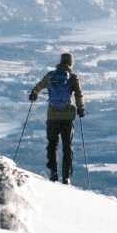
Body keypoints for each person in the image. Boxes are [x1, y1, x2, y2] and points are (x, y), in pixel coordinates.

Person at [28, 52, 85, 184]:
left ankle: (53, 173)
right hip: (68, 116)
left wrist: (33, 95)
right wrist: (80, 109)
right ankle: (66, 177)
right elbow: (79, 95)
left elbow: (38, 87)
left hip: (52, 115)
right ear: (71, 63)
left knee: (52, 144)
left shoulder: (51, 75)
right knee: (67, 146)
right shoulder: (73, 77)